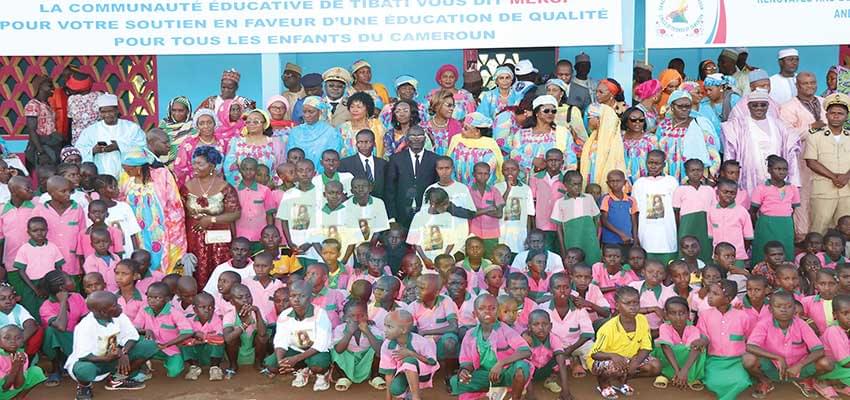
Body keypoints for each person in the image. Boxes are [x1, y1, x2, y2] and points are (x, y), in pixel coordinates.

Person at [744, 290, 836, 398]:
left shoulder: (801, 324)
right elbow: (750, 346)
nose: (783, 310)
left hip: (799, 369)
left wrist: (799, 365)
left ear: (794, 309)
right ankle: (766, 381)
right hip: (773, 367)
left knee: (827, 363)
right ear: (770, 309)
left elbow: (819, 350)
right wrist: (778, 357)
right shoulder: (764, 324)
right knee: (748, 359)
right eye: (778, 306)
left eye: (789, 306)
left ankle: (806, 380)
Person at [67, 291, 159, 397]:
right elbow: (83, 356)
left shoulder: (118, 316)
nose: (119, 306)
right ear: (103, 312)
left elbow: (132, 336)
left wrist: (124, 352)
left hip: (115, 356)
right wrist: (107, 358)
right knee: (84, 370)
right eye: (115, 305)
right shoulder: (85, 327)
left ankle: (117, 379)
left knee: (149, 346)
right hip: (94, 362)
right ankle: (84, 386)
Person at [450, 294, 531, 399]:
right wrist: (465, 371)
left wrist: (501, 363)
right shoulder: (470, 334)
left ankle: (515, 396)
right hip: (486, 374)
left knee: (522, 367)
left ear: (497, 312)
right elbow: (467, 362)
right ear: (475, 314)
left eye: (492, 308)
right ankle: (497, 390)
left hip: (506, 372)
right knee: (456, 381)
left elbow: (525, 351)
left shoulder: (505, 330)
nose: (487, 311)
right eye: (481, 308)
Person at [722, 89, 800, 198]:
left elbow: (790, 153)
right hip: (748, 177)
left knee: (773, 207)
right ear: (748, 106)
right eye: (755, 105)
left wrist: (794, 180)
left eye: (763, 105)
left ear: (768, 106)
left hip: (776, 178)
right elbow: (730, 152)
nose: (759, 108)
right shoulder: (738, 126)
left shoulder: (779, 125)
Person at [181, 146, 241, 288]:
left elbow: (235, 213)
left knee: (218, 273)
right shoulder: (186, 187)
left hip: (218, 241)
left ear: (212, 166)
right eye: (194, 163)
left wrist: (211, 219)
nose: (195, 167)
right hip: (194, 239)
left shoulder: (225, 187)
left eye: (200, 164)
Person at [120, 147, 186, 275]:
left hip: (162, 227)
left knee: (162, 257)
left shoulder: (162, 175)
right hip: (136, 229)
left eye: (128, 168)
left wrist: (173, 229)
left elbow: (174, 203)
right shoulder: (125, 178)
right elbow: (121, 201)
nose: (125, 171)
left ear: (138, 167)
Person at [588, 286, 661, 399]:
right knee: (615, 367)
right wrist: (613, 355)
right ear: (617, 305)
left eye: (635, 303)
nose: (632, 307)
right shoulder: (608, 328)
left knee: (655, 366)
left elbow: (646, 347)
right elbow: (595, 354)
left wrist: (636, 362)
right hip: (605, 359)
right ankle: (604, 386)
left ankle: (620, 382)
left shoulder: (642, 320)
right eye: (627, 303)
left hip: (629, 357)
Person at [780, 71, 826, 239]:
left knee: (823, 199)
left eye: (813, 82)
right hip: (801, 161)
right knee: (803, 198)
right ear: (797, 86)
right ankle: (803, 237)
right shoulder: (788, 107)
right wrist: (811, 128)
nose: (810, 86)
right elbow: (787, 134)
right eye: (805, 83)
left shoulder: (824, 102)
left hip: (825, 161)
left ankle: (823, 237)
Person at [267, 280, 333, 391]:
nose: (296, 300)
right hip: (296, 350)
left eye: (302, 296)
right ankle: (302, 369)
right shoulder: (285, 315)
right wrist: (281, 362)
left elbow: (321, 344)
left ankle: (323, 374)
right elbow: (280, 341)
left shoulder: (320, 314)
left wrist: (295, 359)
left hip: (316, 351)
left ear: (310, 297)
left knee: (318, 365)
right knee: (272, 365)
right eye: (293, 296)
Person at [803, 93, 850, 234]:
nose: (836, 116)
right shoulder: (815, 135)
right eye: (832, 113)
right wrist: (834, 177)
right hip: (823, 191)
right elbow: (811, 161)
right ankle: (818, 257)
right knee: (819, 229)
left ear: (846, 116)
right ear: (827, 114)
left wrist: (846, 176)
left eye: (840, 113)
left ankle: (844, 257)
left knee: (846, 231)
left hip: (847, 191)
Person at [656, 90, 721, 183]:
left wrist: (711, 176)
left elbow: (713, 153)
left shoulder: (700, 124)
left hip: (693, 175)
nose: (684, 109)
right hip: (667, 173)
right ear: (672, 106)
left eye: (687, 106)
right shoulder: (663, 126)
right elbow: (657, 151)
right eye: (680, 106)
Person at [76, 94, 146, 178]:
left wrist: (119, 146)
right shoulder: (90, 131)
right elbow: (79, 150)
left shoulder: (132, 128)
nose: (107, 115)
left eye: (110, 111)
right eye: (103, 112)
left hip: (128, 176)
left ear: (117, 110)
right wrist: (93, 151)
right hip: (100, 176)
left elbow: (143, 147)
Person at [385, 126, 438, 229]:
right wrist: (392, 217)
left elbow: (436, 187)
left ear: (425, 139)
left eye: (420, 136)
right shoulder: (396, 159)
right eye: (412, 136)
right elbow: (390, 190)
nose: (416, 139)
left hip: (426, 213)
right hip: (401, 213)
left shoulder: (434, 159)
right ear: (407, 139)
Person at [632, 150, 680, 264]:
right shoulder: (639, 184)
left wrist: (678, 231)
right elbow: (635, 212)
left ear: (664, 165)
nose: (653, 166)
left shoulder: (672, 182)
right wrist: (635, 237)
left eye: (657, 163)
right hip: (646, 232)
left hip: (667, 232)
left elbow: (677, 210)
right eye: (650, 162)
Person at [651, 296, 707, 390]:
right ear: (667, 315)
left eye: (682, 313)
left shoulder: (693, 329)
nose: (678, 317)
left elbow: (694, 349)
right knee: (664, 347)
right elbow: (666, 348)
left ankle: (688, 376)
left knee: (699, 349)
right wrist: (678, 372)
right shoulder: (664, 327)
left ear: (688, 314)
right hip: (670, 360)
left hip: (686, 364)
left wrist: (684, 371)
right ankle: (671, 375)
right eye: (673, 313)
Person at [222, 109, 285, 187]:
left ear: (265, 124)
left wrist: (271, 184)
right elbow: (229, 168)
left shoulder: (276, 142)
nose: (251, 124)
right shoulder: (236, 142)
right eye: (248, 122)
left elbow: (281, 167)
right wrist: (246, 185)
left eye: (256, 122)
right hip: (242, 189)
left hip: (269, 189)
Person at [330, 300, 383, 391]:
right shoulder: (340, 329)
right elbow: (339, 350)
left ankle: (374, 376)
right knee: (335, 349)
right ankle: (344, 377)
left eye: (361, 316)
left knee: (377, 346)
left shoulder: (372, 329)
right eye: (351, 316)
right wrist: (350, 332)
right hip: (347, 360)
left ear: (367, 316)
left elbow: (379, 351)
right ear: (345, 317)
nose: (356, 319)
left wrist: (367, 332)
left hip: (366, 361)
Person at [286, 96, 343, 174]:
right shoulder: (295, 132)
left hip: (323, 176)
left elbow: (333, 157)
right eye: (304, 111)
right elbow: (291, 157)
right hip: (300, 176)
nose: (307, 115)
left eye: (311, 111)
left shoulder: (331, 132)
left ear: (320, 112)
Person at [173, 109, 227, 187]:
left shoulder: (223, 142)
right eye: (201, 123)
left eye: (209, 122)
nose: (206, 126)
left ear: (215, 123)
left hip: (218, 187)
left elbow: (227, 166)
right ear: (197, 126)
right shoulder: (188, 144)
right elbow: (180, 169)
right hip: (195, 187)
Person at [447, 113, 503, 186]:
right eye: (463, 126)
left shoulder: (489, 147)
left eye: (466, 128)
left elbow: (488, 173)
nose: (462, 130)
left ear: (477, 132)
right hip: (457, 189)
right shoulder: (457, 140)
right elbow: (449, 164)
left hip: (480, 191)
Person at [180, 292, 225, 381]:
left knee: (218, 344)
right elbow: (184, 338)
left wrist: (201, 338)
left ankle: (215, 368)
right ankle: (194, 367)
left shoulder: (216, 320)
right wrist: (199, 338)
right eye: (202, 307)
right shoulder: (189, 319)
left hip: (211, 354)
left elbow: (220, 339)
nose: (207, 310)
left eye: (210, 307)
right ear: (194, 309)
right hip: (197, 353)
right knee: (184, 344)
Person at [580, 103, 624, 192]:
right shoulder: (592, 138)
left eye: (589, 118)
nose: (588, 121)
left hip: (605, 181)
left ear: (599, 119)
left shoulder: (612, 141)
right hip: (591, 178)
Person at [24, 74, 63, 168]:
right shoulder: (33, 105)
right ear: (40, 86)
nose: (53, 88)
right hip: (42, 146)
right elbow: (32, 130)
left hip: (52, 143)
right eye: (50, 85)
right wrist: (41, 153)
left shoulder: (47, 104)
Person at [0, 324, 46, 399]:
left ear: (22, 341)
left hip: (10, 390)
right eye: (7, 338)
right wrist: (15, 368)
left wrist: (20, 366)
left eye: (18, 338)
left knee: (36, 371)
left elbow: (18, 385)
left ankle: (18, 397)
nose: (12, 341)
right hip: (2, 391)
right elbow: (5, 387)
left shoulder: (22, 355)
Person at [339, 130, 387, 199]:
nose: (364, 146)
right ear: (356, 144)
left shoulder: (383, 164)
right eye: (360, 142)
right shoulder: (345, 164)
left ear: (374, 144)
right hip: (355, 206)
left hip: (378, 205)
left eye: (367, 142)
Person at [339, 92, 385, 159]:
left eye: (359, 107)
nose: (355, 110)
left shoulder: (378, 126)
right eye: (352, 107)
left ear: (367, 108)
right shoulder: (342, 129)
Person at [66, 70, 102, 145]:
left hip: (79, 140)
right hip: (96, 139)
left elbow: (70, 119)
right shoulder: (99, 96)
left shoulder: (72, 99)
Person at [157, 96, 194, 166]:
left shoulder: (193, 127)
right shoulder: (163, 126)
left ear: (187, 111)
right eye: (174, 110)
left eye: (181, 110)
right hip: (164, 168)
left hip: (187, 167)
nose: (177, 113)